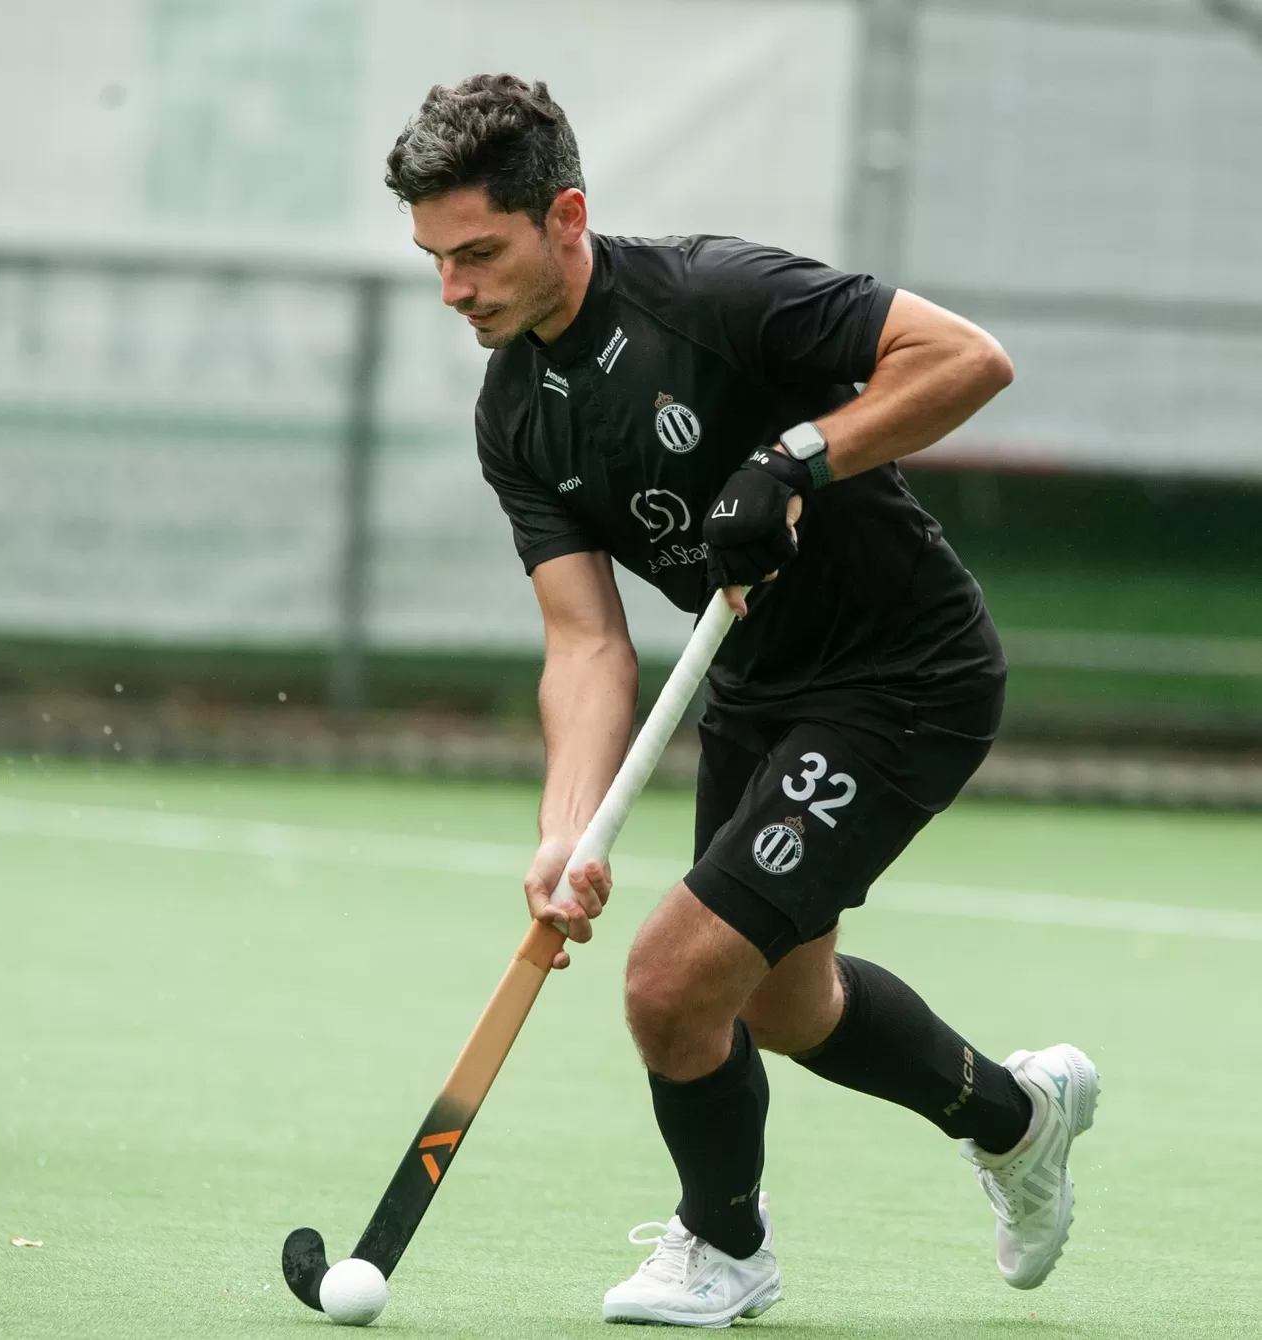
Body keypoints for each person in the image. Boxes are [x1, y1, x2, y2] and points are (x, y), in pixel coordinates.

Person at [385, 74, 1098, 1328]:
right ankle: (1013, 1118)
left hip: (903, 676)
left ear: (564, 214)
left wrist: (792, 457)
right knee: (779, 1002)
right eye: (435, 260)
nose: (455, 289)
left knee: (668, 985)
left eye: (477, 253)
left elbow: (965, 360)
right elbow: (587, 646)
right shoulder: (515, 415)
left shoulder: (713, 296)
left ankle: (723, 1246)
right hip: (758, 690)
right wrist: (567, 825)